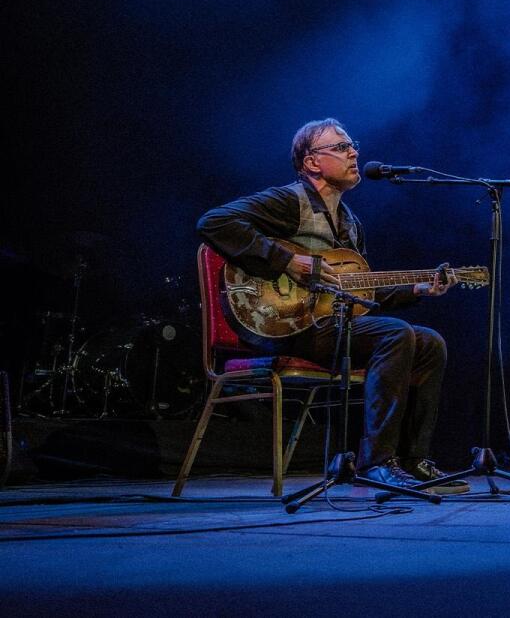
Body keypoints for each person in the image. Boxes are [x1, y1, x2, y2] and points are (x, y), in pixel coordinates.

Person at [197, 118, 468, 495]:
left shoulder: (350, 224)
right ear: (311, 162)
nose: (354, 153)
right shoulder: (287, 202)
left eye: (352, 145)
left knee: (429, 343)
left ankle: (412, 461)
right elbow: (213, 222)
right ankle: (377, 463)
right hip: (282, 324)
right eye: (341, 147)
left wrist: (417, 289)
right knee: (395, 334)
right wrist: (286, 260)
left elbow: (361, 294)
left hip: (329, 326)